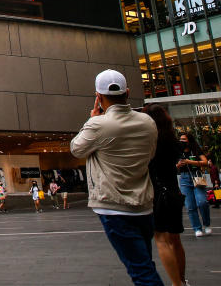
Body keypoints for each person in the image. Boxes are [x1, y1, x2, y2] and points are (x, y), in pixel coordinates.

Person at [70, 69, 161, 286]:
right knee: (144, 262)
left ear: (98, 97)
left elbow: (76, 149)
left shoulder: (98, 124)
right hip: (144, 204)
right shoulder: (148, 122)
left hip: (113, 207)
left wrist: (91, 120)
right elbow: (150, 155)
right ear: (127, 92)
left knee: (141, 271)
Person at [142, 104, 187, 286]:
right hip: (174, 192)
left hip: (157, 193)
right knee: (175, 239)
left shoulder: (149, 145)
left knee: (162, 240)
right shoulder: (174, 143)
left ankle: (177, 284)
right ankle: (182, 280)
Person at [177, 131, 211, 237]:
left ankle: (207, 224)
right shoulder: (178, 151)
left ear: (189, 140)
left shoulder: (195, 149)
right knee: (190, 205)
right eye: (180, 139)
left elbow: (205, 162)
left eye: (184, 139)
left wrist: (190, 162)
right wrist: (178, 165)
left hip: (197, 176)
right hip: (184, 178)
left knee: (202, 202)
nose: (181, 141)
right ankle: (197, 228)